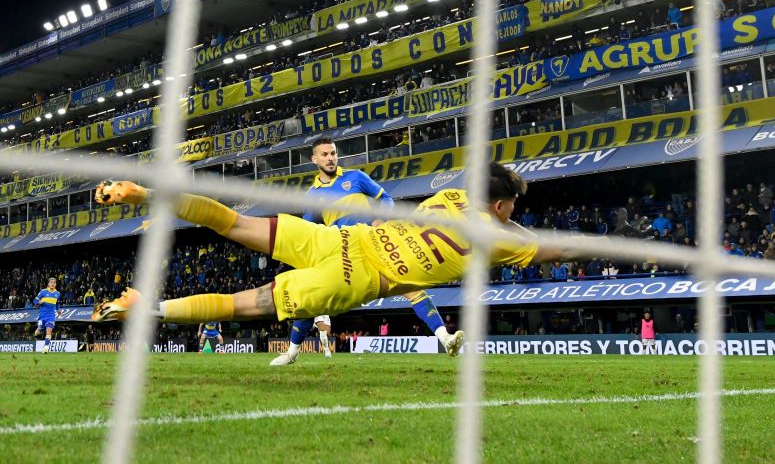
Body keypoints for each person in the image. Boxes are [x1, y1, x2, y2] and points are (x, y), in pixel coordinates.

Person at [92, 164, 576, 330]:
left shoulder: (449, 195)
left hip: (339, 238)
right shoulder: (497, 236)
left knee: (235, 222)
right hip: (355, 276)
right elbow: (553, 250)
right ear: (500, 207)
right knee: (247, 305)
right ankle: (148, 310)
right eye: (511, 205)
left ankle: (145, 193)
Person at [270, 138, 460, 366]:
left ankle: (445, 338)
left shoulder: (356, 177)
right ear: (314, 160)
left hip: (374, 243)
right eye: (324, 155)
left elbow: (386, 199)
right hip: (342, 251)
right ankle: (292, 352)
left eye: (333, 153)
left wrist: (382, 218)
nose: (330, 158)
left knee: (412, 287)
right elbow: (310, 230)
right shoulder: (312, 195)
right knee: (313, 298)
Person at [33, 277, 60, 353]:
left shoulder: (58, 293)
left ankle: (46, 348)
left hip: (51, 315)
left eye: (54, 282)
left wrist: (58, 310)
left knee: (49, 330)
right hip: (42, 315)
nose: (52, 284)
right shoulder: (43, 292)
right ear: (48, 284)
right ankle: (39, 329)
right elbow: (35, 301)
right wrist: (39, 303)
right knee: (40, 330)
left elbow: (57, 303)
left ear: (55, 284)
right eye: (51, 282)